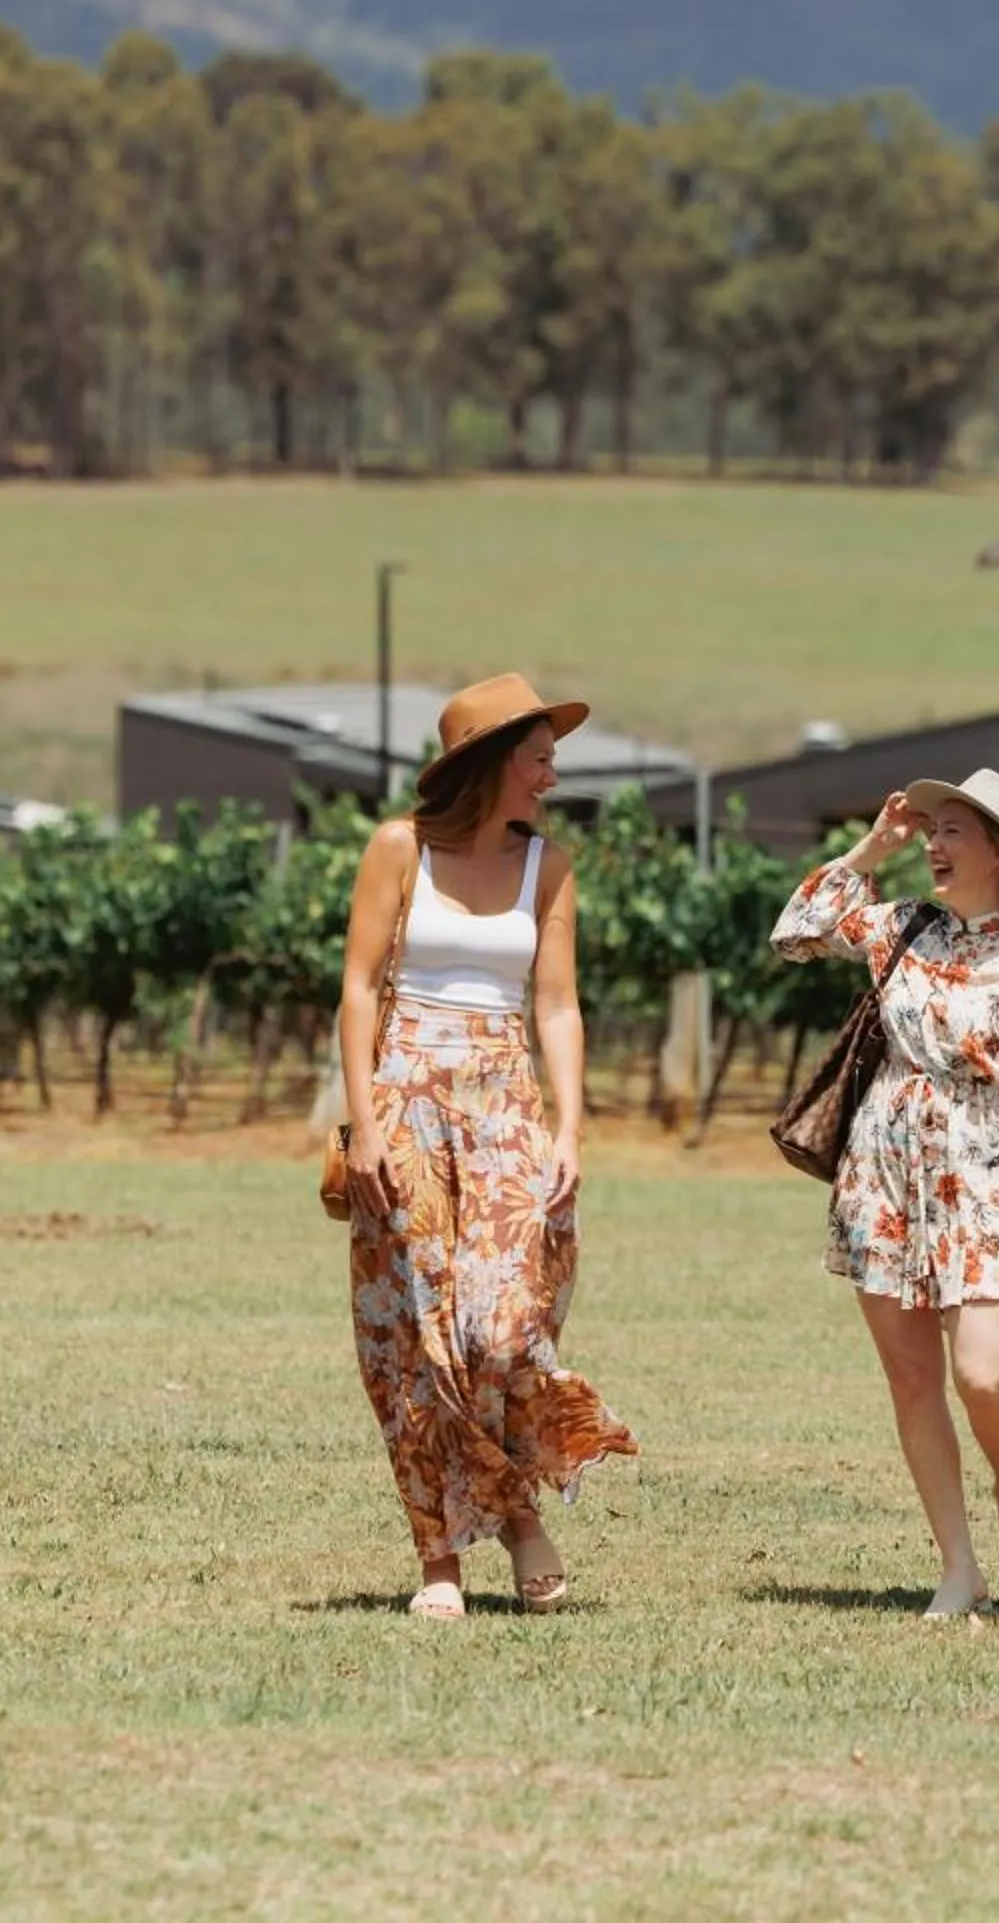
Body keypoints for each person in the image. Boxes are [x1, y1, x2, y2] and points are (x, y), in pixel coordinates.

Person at [772, 767, 999, 1618]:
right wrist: (872, 845)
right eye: (932, 830)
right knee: (913, 1380)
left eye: (953, 830)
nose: (933, 843)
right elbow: (799, 929)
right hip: (884, 1167)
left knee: (982, 1372)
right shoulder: (899, 929)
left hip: (985, 1166)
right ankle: (958, 1569)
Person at [338, 673, 637, 1620]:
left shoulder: (548, 867)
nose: (553, 771)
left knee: (503, 1330)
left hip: (503, 1100)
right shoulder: (398, 849)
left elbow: (556, 1002)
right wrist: (365, 1123)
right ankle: (444, 1560)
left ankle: (512, 1516)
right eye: (540, 754)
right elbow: (354, 991)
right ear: (490, 762)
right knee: (418, 1345)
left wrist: (570, 1124)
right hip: (408, 1103)